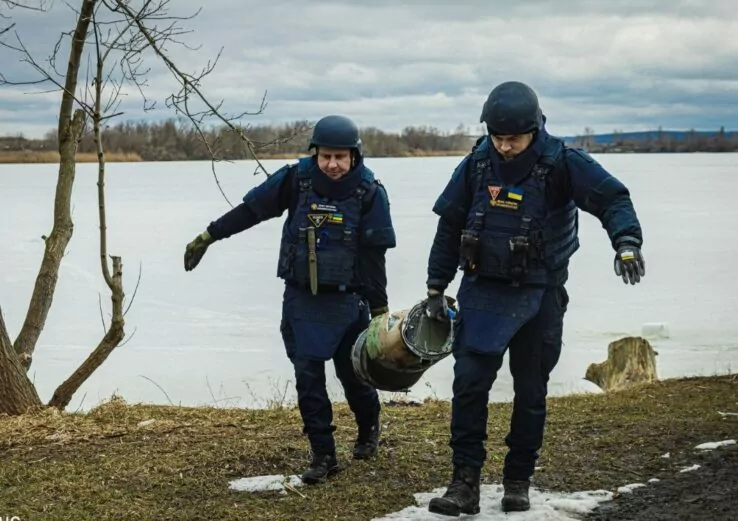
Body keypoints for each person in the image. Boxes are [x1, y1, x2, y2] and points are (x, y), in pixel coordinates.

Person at [423, 81, 645, 516]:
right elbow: (450, 226)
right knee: (468, 386)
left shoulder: (563, 163)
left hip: (539, 294)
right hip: (482, 290)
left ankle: (518, 480)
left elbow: (612, 199)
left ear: (536, 128)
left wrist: (627, 242)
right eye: (498, 137)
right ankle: (463, 483)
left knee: (531, 390)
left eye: (515, 139)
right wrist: (435, 287)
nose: (505, 147)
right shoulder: (476, 164)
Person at [183, 115, 397, 484]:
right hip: (302, 299)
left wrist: (380, 311)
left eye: (340, 157)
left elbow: (374, 256)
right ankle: (324, 454)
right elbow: (252, 211)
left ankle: (368, 430)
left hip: (350, 302)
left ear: (354, 156)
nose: (331, 164)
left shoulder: (369, 192)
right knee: (308, 376)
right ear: (314, 154)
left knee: (354, 376)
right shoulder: (296, 180)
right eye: (325, 156)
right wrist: (210, 235)